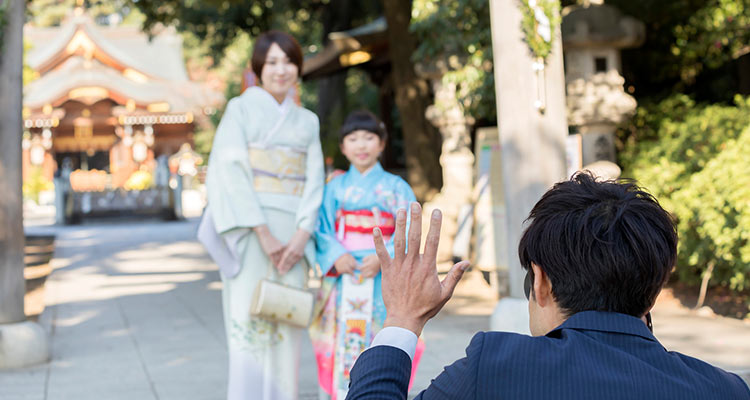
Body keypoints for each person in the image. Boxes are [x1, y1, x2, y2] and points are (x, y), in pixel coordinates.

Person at [346, 173, 750, 399]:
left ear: (540, 282)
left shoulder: (494, 369)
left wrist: (401, 318)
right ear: (655, 286)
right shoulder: (725, 390)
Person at [202, 30, 324, 400]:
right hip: (253, 231)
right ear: (258, 68)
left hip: (294, 235)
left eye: (288, 61)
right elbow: (230, 170)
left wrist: (303, 235)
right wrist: (263, 233)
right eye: (271, 62)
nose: (281, 70)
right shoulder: (240, 109)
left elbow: (314, 179)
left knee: (287, 325)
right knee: (249, 324)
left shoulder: (308, 121)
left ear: (298, 69)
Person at [309, 111, 423, 400]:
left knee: (381, 336)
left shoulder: (397, 188)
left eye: (369, 138)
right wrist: (336, 255)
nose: (361, 145)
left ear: (382, 144)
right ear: (343, 147)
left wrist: (383, 257)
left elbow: (409, 226)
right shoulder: (333, 188)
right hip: (343, 272)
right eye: (353, 138)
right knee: (338, 340)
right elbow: (322, 227)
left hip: (381, 276)